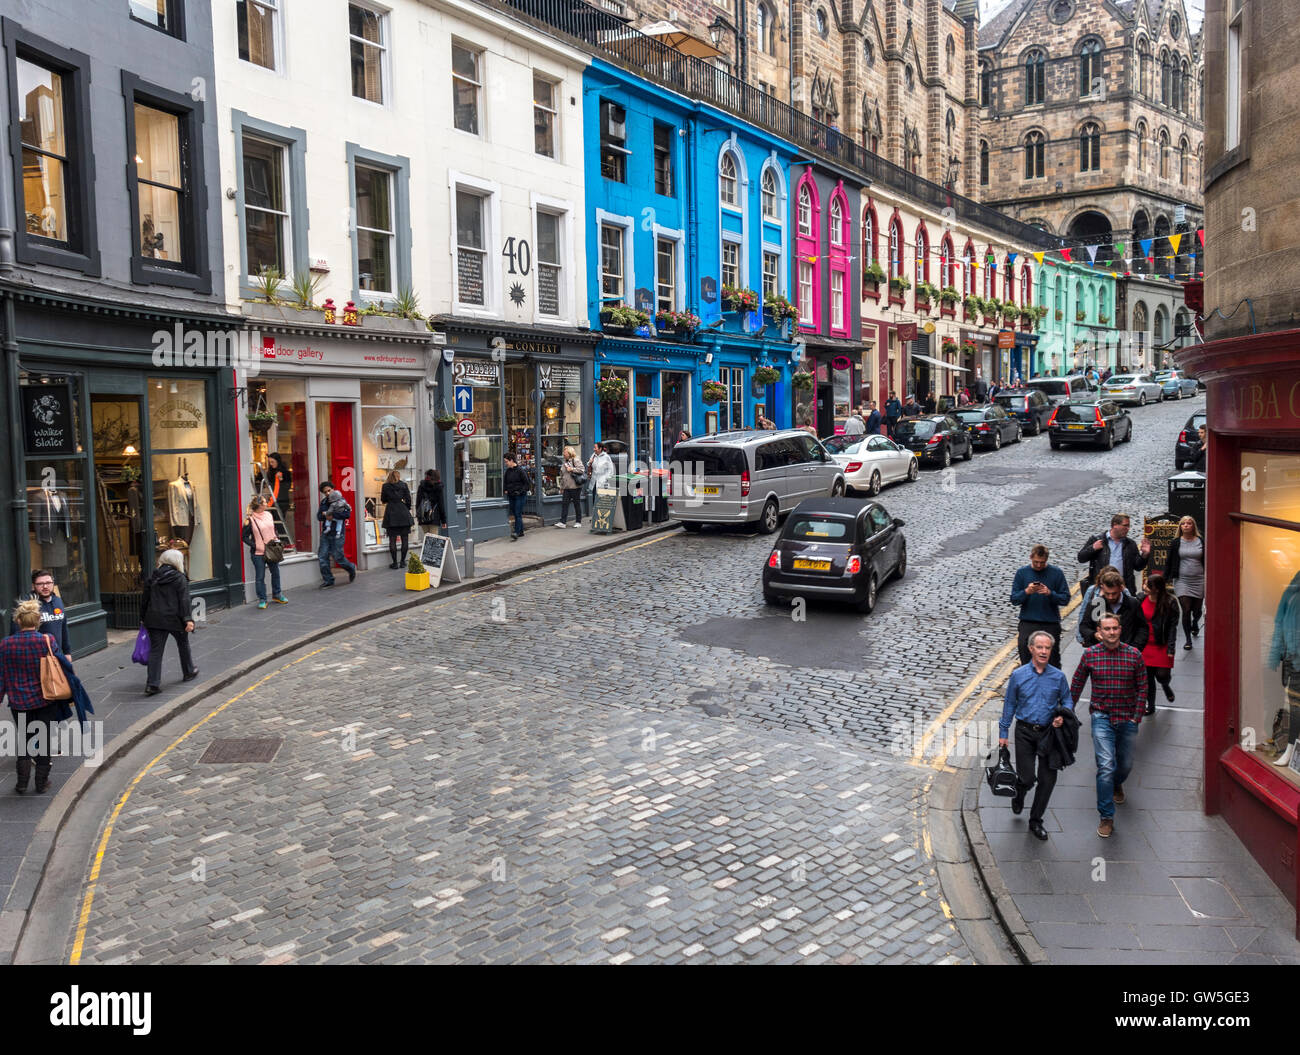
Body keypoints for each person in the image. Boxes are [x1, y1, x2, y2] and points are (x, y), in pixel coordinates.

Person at [1071, 612, 1147, 837]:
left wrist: (1136, 717)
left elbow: (1143, 688)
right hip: (1102, 717)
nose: (1112, 632)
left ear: (1120, 630)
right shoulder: (1090, 655)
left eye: (1115, 628)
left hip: (1127, 718)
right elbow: (1076, 684)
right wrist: (1066, 711)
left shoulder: (1134, 656)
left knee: (1124, 765)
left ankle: (1116, 783)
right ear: (1099, 632)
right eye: (1107, 629)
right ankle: (1106, 816)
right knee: (1105, 766)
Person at [999, 631, 1077, 841]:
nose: (1043, 651)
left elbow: (1067, 701)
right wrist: (1003, 732)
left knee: (1047, 780)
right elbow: (1010, 704)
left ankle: (1036, 820)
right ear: (1031, 649)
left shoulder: (1058, 676)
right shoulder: (1019, 675)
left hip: (1049, 734)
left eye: (1047, 648)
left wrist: (1062, 715)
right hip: (1024, 732)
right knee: (1027, 778)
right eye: (1039, 647)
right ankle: (1020, 790)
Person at [0, 598, 76, 793]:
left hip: (18, 701)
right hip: (44, 698)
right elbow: (59, 666)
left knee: (24, 740)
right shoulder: (46, 640)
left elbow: (2, 675)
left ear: (18, 621)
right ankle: (41, 784)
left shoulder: (6, 644)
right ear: (38, 621)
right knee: (43, 741)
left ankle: (21, 784)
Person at [141, 549, 198, 696]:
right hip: (175, 619)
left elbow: (144, 600)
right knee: (183, 644)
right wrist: (188, 619)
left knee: (156, 651)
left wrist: (142, 618)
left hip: (154, 619)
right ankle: (189, 671)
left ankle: (152, 684)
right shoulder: (180, 578)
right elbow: (184, 600)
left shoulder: (153, 577)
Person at [1011, 545, 1071, 668]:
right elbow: (1014, 599)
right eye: (1036, 562)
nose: (1039, 565)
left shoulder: (1056, 573)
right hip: (1028, 622)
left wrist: (1050, 593)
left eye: (1042, 563)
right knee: (1025, 655)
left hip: (1050, 622)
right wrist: (1027, 591)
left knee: (1052, 659)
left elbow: (1065, 599)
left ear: (1047, 560)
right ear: (1031, 557)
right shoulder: (1022, 573)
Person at [1078, 569, 1150, 650]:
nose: (1110, 597)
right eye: (1107, 593)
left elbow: (1142, 628)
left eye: (1114, 593)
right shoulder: (1095, 604)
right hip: (1101, 654)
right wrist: (1094, 634)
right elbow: (1084, 627)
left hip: (1127, 654)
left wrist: (1134, 648)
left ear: (1121, 588)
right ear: (1102, 587)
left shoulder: (1133, 604)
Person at [1077, 513, 1150, 593]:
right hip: (1101, 590)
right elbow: (1081, 558)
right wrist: (1093, 548)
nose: (1128, 529)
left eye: (1128, 526)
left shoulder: (1130, 544)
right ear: (1115, 525)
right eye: (1125, 525)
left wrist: (1144, 555)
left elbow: (1138, 567)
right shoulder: (1097, 540)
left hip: (1123, 589)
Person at [10, 569, 71, 661]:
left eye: (48, 582)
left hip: (56, 656)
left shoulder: (58, 601)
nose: (45, 586)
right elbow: (16, 634)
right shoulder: (27, 605)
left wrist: (67, 652)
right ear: (33, 586)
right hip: (34, 658)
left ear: (53, 583)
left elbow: (63, 628)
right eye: (40, 584)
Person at [1164, 515, 1205, 651]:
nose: (1186, 525)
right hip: (1182, 580)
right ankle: (1188, 640)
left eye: (1189, 523)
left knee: (1197, 610)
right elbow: (1169, 562)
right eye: (1183, 524)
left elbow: (1207, 559)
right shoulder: (1176, 542)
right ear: (1180, 527)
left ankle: (1195, 622)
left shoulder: (1200, 541)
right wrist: (1164, 580)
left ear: (1193, 526)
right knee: (1186, 610)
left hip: (1199, 579)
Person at [1140, 573, 1179, 715]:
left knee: (1161, 675)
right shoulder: (1141, 598)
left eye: (1148, 586)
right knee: (1148, 678)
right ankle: (1150, 705)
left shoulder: (1170, 602)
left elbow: (1173, 628)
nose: (1144, 587)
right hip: (1145, 644)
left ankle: (1165, 685)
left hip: (1161, 644)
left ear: (1156, 588)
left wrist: (1171, 647)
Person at [242, 497, 287, 610]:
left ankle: (277, 595)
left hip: (272, 550)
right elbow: (244, 537)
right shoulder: (250, 520)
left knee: (275, 573)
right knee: (260, 577)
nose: (267, 503)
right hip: (258, 553)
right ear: (260, 505)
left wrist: (276, 539)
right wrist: (256, 546)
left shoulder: (269, 515)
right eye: (265, 502)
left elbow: (273, 529)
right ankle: (262, 599)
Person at [316, 481, 356, 588]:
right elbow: (319, 516)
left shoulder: (340, 500)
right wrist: (325, 516)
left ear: (333, 489)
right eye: (325, 492)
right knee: (322, 556)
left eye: (329, 490)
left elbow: (347, 514)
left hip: (338, 533)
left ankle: (351, 567)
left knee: (338, 557)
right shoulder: (324, 502)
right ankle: (328, 580)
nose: (328, 493)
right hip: (326, 533)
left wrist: (332, 515)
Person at [381, 470, 414, 569]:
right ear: (398, 476)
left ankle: (395, 563)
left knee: (392, 539)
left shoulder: (385, 486)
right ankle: (403, 562)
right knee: (405, 539)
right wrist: (405, 508)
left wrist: (390, 500)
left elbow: (383, 499)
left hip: (391, 512)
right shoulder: (404, 485)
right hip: (403, 512)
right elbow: (408, 500)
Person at [503, 454, 532, 541]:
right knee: (515, 513)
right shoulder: (508, 471)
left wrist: (520, 491)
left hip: (520, 495)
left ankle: (516, 532)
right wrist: (505, 489)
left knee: (517, 513)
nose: (506, 463)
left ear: (511, 460)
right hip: (511, 495)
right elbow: (505, 482)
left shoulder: (520, 471)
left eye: (506, 461)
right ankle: (521, 531)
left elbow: (527, 484)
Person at [557, 446, 584, 528]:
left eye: (565, 452)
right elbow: (562, 476)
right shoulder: (564, 462)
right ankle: (563, 522)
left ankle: (578, 522)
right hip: (566, 487)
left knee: (576, 504)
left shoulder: (575, 460)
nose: (563, 454)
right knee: (564, 504)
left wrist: (572, 469)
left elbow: (582, 470)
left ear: (569, 453)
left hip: (575, 487)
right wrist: (561, 487)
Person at [416, 469, 448, 536]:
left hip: (423, 516)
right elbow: (441, 504)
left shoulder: (421, 486)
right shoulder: (438, 487)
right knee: (433, 539)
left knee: (427, 538)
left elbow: (418, 502)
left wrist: (419, 516)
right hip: (434, 517)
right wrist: (443, 521)